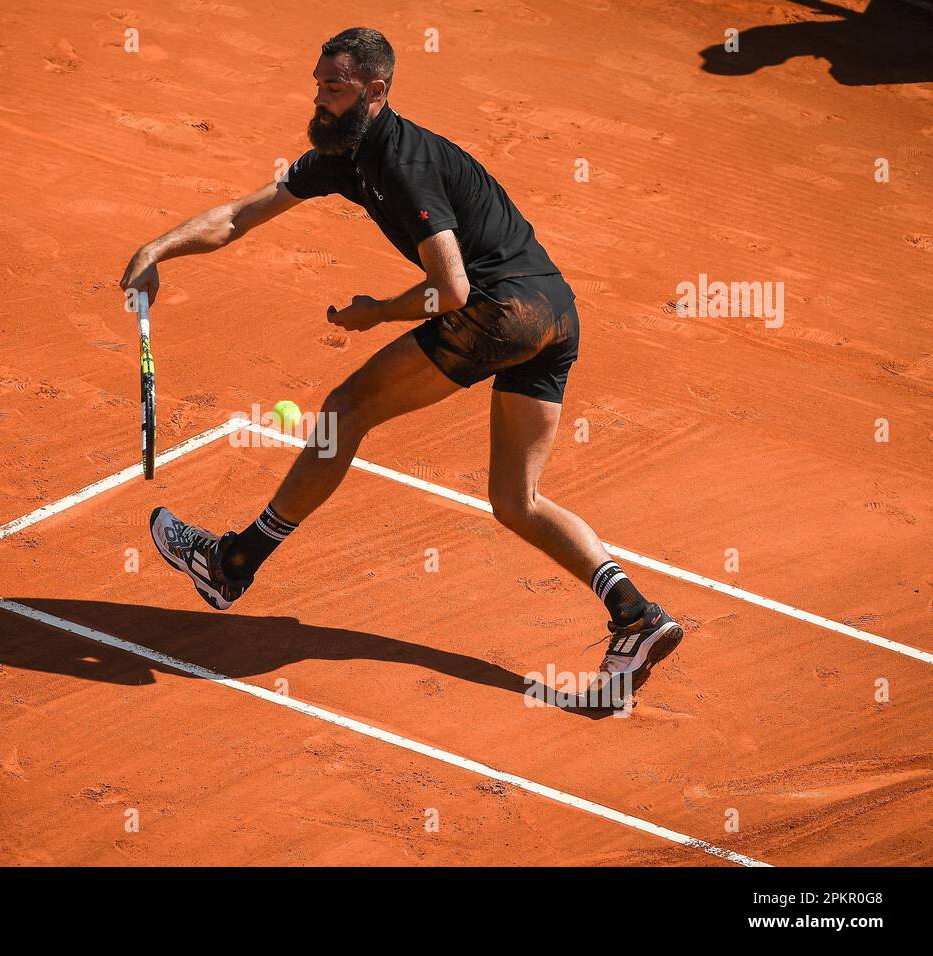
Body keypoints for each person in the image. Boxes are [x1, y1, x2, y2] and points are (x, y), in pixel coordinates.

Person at [119, 27, 682, 691]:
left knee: (346, 408)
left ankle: (234, 562)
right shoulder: (337, 154)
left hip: (503, 308)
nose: (319, 97)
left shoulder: (400, 162)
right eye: (318, 83)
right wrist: (157, 251)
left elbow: (451, 290)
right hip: (554, 313)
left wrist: (378, 311)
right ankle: (635, 614)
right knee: (515, 498)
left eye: (334, 87)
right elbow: (241, 216)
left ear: (374, 91)